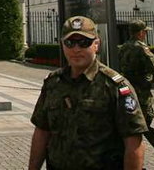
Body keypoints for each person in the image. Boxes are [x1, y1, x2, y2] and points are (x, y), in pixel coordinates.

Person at [28, 16, 147, 170]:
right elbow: (42, 132)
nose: (76, 49)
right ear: (63, 45)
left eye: (84, 43)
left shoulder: (115, 86)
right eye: (70, 43)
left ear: (96, 44)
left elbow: (133, 143)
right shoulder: (53, 83)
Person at [118, 19, 154, 159]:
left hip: (129, 93)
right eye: (144, 32)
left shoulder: (124, 47)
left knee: (130, 129)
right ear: (140, 33)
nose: (145, 34)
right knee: (153, 131)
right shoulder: (141, 48)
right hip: (142, 93)